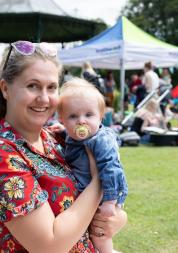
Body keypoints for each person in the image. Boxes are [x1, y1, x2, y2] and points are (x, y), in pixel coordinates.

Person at [0, 40, 127, 253]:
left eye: (51, 87)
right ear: (5, 89)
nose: (44, 98)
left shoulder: (57, 138)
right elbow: (48, 247)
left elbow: (113, 211)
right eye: (32, 86)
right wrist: (98, 181)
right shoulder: (5, 154)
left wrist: (116, 220)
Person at [57, 78, 128, 253]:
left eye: (89, 115)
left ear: (100, 116)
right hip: (87, 193)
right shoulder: (71, 135)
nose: (81, 121)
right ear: (63, 119)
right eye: (73, 116)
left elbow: (111, 168)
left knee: (99, 233)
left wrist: (110, 202)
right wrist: (63, 131)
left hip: (105, 195)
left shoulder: (100, 139)